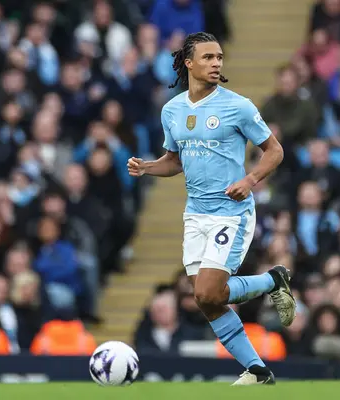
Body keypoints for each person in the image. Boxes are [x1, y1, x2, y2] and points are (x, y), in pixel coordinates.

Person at [127, 32, 294, 385]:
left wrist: (249, 181)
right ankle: (258, 370)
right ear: (189, 63)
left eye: (219, 57)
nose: (216, 63)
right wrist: (147, 167)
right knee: (207, 300)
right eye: (208, 57)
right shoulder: (171, 110)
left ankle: (271, 280)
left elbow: (275, 151)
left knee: (207, 291)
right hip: (195, 214)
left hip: (231, 212)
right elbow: (175, 161)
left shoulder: (239, 106)